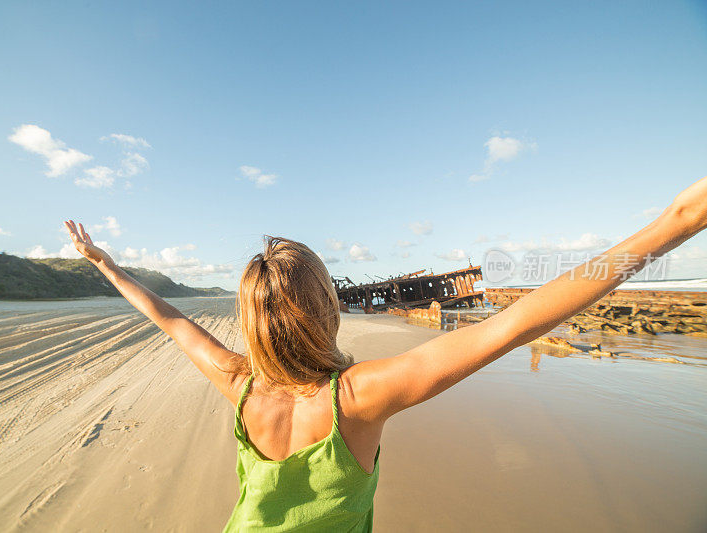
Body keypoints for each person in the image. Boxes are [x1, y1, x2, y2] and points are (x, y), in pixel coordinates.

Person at [64, 176, 707, 532]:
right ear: (328, 307)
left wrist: (108, 266)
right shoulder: (357, 399)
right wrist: (674, 223)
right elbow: (509, 326)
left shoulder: (237, 381)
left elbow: (169, 319)